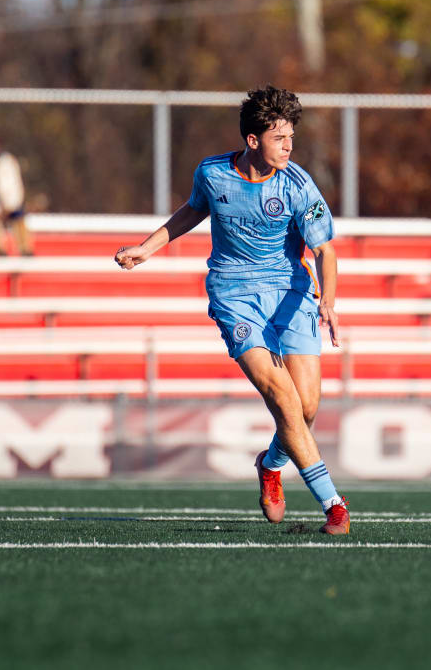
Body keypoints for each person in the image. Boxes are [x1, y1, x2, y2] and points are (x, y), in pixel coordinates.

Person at [114, 86, 349, 535]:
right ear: (254, 140)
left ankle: (270, 464)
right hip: (233, 295)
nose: (290, 146)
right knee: (282, 398)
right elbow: (192, 211)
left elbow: (327, 252)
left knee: (307, 407)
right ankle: (333, 505)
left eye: (292, 137)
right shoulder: (213, 173)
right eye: (281, 138)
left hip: (292, 293)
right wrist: (148, 248)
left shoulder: (297, 184)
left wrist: (331, 304)